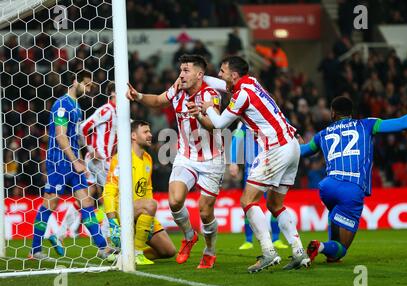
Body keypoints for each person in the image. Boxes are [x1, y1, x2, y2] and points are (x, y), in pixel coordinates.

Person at [193, 56, 310, 273]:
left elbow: (219, 124)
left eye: (222, 71)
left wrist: (208, 107)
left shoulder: (241, 94)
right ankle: (298, 253)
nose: (220, 75)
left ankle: (268, 253)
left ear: (234, 75)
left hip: (275, 148)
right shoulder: (251, 82)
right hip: (291, 145)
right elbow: (221, 84)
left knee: (247, 201)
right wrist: (200, 77)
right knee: (275, 205)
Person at [126, 54, 224, 269]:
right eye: (181, 70)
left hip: (211, 160)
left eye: (186, 70)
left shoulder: (210, 95)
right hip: (186, 157)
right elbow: (159, 101)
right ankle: (189, 236)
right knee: (175, 200)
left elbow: (215, 125)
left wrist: (200, 115)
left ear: (199, 74)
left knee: (206, 212)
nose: (181, 74)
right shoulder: (178, 88)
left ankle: (209, 251)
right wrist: (139, 95)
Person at [301, 96, 407, 264]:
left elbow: (302, 151)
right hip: (351, 189)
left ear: (333, 113)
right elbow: (404, 124)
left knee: (335, 217)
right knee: (341, 249)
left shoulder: (322, 135)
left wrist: (290, 145)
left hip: (327, 187)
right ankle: (320, 246)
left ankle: (329, 252)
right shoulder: (367, 124)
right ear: (350, 113)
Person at [29, 70, 116, 260]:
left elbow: (75, 134)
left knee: (86, 202)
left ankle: (102, 247)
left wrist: (87, 149)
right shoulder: (62, 104)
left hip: (74, 161)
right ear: (75, 81)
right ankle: (35, 250)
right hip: (58, 161)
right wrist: (75, 160)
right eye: (87, 84)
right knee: (50, 203)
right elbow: (60, 135)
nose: (89, 88)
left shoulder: (76, 106)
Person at [103, 120, 176, 265]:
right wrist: (112, 221)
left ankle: (123, 254)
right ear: (133, 136)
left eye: (149, 131)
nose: (150, 135)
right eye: (145, 132)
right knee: (150, 204)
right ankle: (137, 252)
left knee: (168, 251)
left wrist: (148, 219)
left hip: (142, 211)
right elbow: (109, 190)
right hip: (122, 211)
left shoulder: (148, 159)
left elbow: (147, 189)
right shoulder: (121, 158)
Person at [56, 81, 118, 242]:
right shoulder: (106, 110)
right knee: (113, 195)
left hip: (105, 161)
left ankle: (61, 233)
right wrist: (91, 149)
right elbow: (83, 127)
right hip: (98, 161)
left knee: (86, 197)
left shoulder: (118, 112)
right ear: (112, 93)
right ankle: (107, 238)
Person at [230, 121, 289, 250]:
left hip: (272, 167)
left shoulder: (275, 118)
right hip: (252, 169)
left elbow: (289, 135)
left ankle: (276, 238)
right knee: (248, 203)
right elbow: (236, 139)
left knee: (274, 204)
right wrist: (233, 161)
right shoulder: (245, 122)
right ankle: (249, 240)